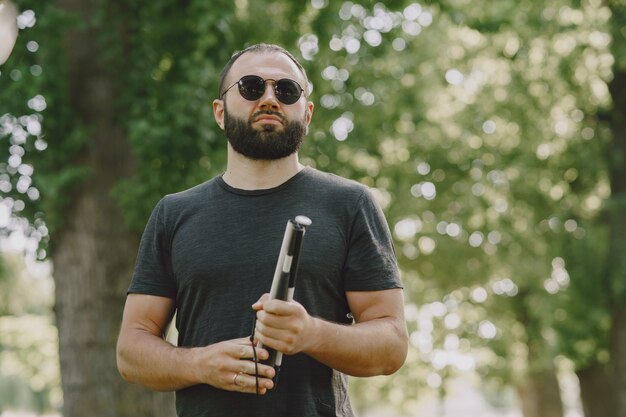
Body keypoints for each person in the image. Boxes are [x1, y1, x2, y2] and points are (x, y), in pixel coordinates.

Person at [116, 43, 408, 417]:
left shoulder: (350, 204)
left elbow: (392, 345)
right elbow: (130, 352)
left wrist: (311, 333)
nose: (270, 98)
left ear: (308, 113)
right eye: (251, 87)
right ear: (220, 112)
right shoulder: (174, 213)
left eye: (286, 91)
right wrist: (201, 363)